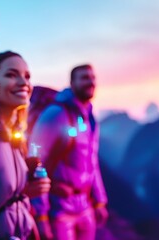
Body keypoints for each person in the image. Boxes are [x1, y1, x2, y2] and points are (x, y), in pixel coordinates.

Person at [29, 64, 109, 240]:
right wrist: (41, 215)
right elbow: (36, 159)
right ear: (72, 83)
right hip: (59, 210)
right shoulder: (56, 114)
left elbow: (92, 162)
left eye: (92, 77)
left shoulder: (89, 118)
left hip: (85, 206)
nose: (91, 82)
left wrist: (100, 200)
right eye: (84, 77)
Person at [0, 51, 51, 240]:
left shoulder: (17, 137)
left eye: (27, 76)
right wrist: (23, 192)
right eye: (11, 75)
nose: (23, 83)